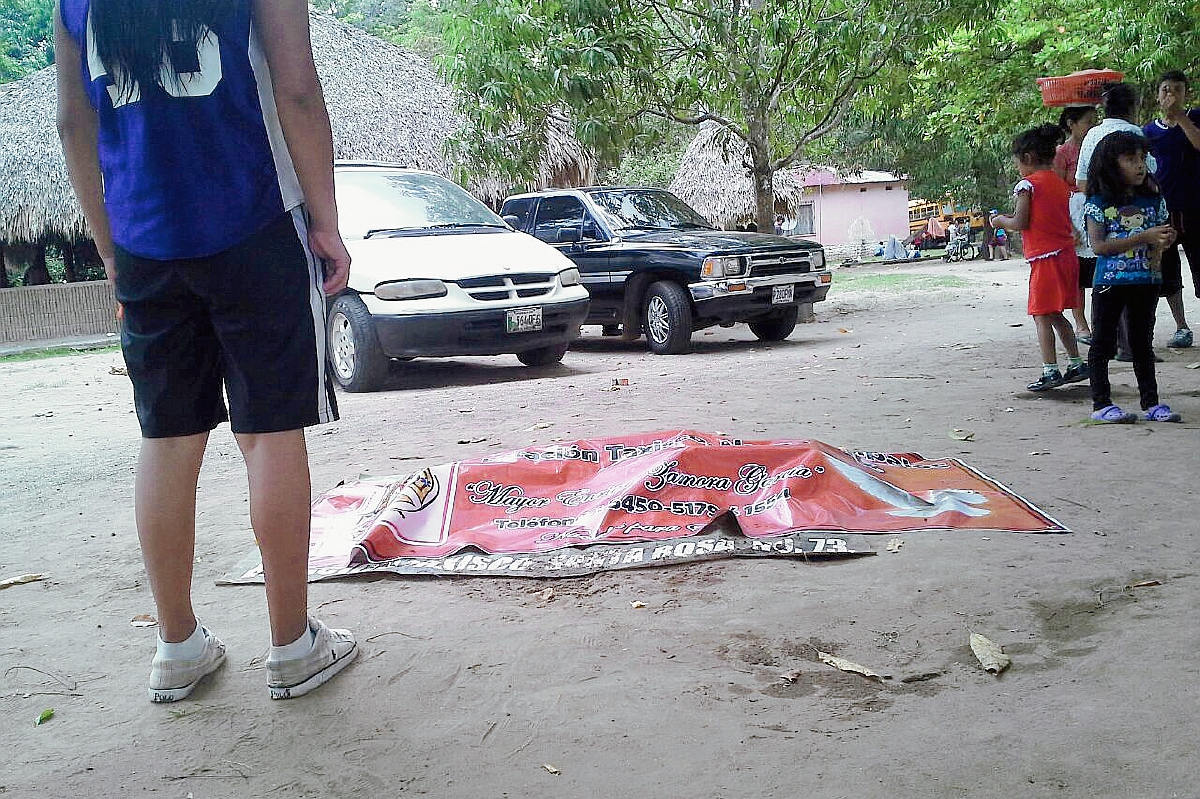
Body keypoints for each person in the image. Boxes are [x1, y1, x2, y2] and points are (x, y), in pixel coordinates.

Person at [55, 0, 358, 701]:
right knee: (271, 430)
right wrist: (328, 221)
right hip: (252, 222)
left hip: (143, 239)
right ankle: (291, 647)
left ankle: (177, 646)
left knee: (167, 438)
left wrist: (109, 249)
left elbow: (75, 123)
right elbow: (298, 90)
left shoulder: (73, 3)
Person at [1076, 82, 1190, 353]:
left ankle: (1115, 341)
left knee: (1108, 286)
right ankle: (1163, 331)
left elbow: (1081, 181)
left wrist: (1102, 201)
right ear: (1132, 107)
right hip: (1140, 220)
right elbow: (1150, 176)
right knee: (1155, 277)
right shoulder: (1134, 133)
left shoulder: (1093, 134)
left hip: (1102, 219)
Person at [1083, 131, 1182, 423]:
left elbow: (1164, 233)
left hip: (1147, 280)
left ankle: (1151, 403)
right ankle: (1101, 403)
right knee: (1103, 343)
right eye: (1130, 159)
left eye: (1142, 158)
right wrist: (1145, 236)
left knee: (1142, 344)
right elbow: (1099, 246)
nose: (1139, 165)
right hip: (1111, 282)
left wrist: (1165, 238)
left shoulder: (1152, 199)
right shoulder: (1099, 203)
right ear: (1111, 165)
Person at [990, 124, 1087, 392]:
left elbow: (1021, 221)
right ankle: (1077, 362)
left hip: (1045, 258)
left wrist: (999, 220)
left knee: (1041, 315)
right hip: (1065, 254)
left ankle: (1050, 369)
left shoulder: (1027, 186)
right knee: (1056, 314)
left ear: (1027, 158)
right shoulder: (1058, 182)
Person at [1144, 70, 1200, 349]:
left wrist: (1181, 116)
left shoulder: (1196, 117)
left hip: (1196, 207)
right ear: (1158, 95)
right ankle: (1181, 326)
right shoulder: (1149, 131)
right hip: (1164, 209)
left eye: (1177, 90)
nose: (1171, 95)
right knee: (1168, 271)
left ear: (1186, 94)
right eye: (1166, 90)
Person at [1054, 105, 1099, 344]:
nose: (1092, 126)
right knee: (1078, 273)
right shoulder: (1063, 152)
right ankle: (1081, 324)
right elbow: (1058, 188)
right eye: (1087, 121)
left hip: (1096, 207)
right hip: (1073, 211)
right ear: (1071, 123)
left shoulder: (1097, 146)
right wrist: (1068, 225)